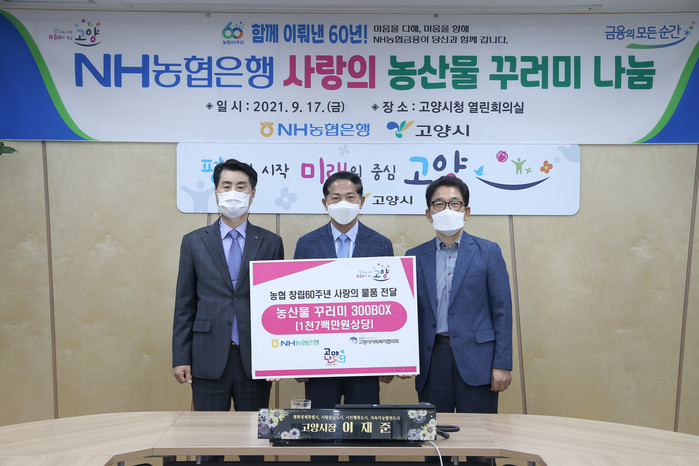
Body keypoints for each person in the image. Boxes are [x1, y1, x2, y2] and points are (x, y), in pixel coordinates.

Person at [172, 159, 284, 461]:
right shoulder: (194, 242)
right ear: (216, 192)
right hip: (207, 356)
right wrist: (181, 357)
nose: (233, 192)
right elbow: (184, 303)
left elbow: (277, 305)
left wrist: (278, 359)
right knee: (208, 446)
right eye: (227, 186)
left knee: (255, 447)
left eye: (241, 186)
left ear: (253, 193)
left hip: (255, 359)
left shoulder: (271, 242)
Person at [294, 171, 394, 461]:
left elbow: (388, 306)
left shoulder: (381, 244)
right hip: (319, 362)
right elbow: (298, 303)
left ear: (361, 201)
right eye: (335, 198)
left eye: (350, 197)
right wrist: (298, 361)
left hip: (366, 361)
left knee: (364, 443)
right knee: (321, 444)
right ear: (324, 203)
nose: (343, 203)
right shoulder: (306, 244)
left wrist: (390, 360)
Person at [406, 175, 512, 415]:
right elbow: (408, 314)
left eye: (455, 203)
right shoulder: (414, 256)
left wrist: (502, 364)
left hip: (479, 361)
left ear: (466, 212)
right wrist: (404, 358)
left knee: (480, 436)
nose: (447, 209)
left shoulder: (488, 251)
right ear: (429, 214)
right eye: (439, 204)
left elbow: (502, 311)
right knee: (433, 434)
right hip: (432, 360)